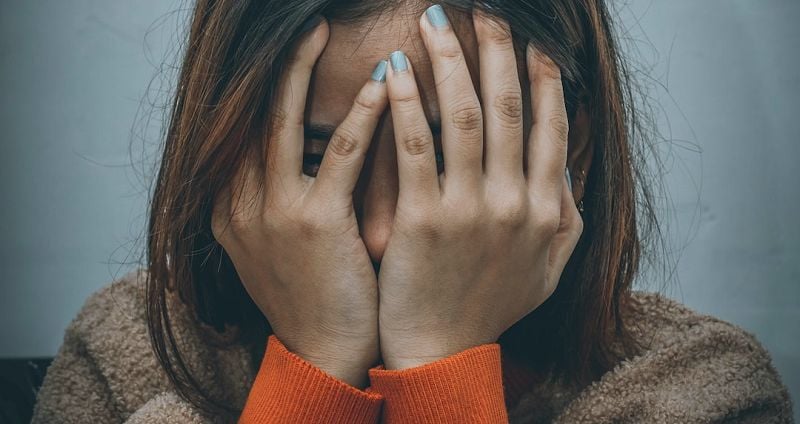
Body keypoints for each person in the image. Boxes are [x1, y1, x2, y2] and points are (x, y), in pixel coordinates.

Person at [32, 1, 793, 423]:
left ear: (569, 145)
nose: (380, 232)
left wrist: (438, 363)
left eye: (449, 165)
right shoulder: (126, 357)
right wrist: (313, 370)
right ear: (226, 144)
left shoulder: (700, 394)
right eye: (318, 160)